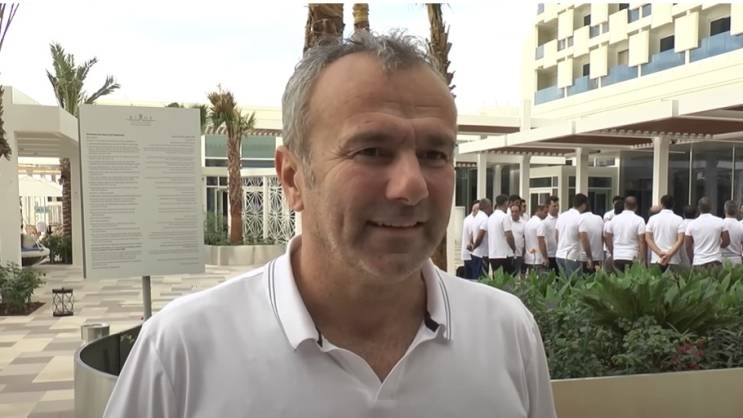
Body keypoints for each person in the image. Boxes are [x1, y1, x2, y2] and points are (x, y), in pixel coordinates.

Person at [103, 31, 556, 418]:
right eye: (371, 151)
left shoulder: (506, 333)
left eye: (434, 154)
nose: (412, 186)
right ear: (292, 178)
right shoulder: (181, 353)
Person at [685, 197, 730, 269]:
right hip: (715, 260)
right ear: (711, 207)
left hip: (698, 261)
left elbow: (688, 246)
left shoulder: (691, 224)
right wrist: (718, 247)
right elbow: (727, 241)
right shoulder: (720, 221)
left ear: (698, 208)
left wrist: (692, 259)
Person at [605, 196, 646, 271]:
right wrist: (642, 259)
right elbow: (642, 241)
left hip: (617, 256)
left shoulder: (614, 219)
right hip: (632, 256)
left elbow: (607, 236)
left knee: (618, 277)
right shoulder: (640, 220)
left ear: (624, 205)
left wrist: (612, 251)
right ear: (636, 207)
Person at [645, 195, 684, 272]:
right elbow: (680, 240)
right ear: (673, 205)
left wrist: (659, 253)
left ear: (661, 204)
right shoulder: (679, 219)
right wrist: (669, 254)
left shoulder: (652, 219)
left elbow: (648, 238)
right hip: (673, 259)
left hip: (656, 259)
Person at [555, 193, 588, 278]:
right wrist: (588, 256)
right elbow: (583, 238)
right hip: (573, 256)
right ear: (584, 205)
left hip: (559, 255)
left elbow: (556, 235)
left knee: (564, 282)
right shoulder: (580, 217)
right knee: (574, 283)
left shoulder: (561, 216)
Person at [488, 194, 515, 274]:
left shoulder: (490, 218)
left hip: (493, 254)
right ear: (506, 203)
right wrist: (513, 247)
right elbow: (509, 235)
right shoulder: (504, 217)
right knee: (507, 279)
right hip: (504, 255)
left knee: (497, 279)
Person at [468, 198, 492, 279]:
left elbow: (472, 234)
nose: (491, 209)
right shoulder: (485, 219)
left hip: (475, 254)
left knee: (475, 277)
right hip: (482, 255)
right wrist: (474, 246)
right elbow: (480, 236)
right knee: (482, 279)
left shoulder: (476, 217)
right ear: (487, 207)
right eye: (490, 206)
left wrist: (471, 244)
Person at [578, 204, 605, 273]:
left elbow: (583, 238)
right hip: (598, 257)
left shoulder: (580, 218)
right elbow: (602, 237)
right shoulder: (599, 218)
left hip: (583, 258)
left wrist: (589, 257)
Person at [537, 196, 559, 273]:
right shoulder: (544, 222)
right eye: (554, 206)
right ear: (548, 207)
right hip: (550, 255)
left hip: (561, 254)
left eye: (557, 205)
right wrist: (545, 257)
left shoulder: (562, 219)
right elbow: (541, 240)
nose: (557, 208)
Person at [525, 203, 548, 273]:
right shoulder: (540, 223)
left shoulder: (528, 223)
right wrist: (545, 257)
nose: (546, 215)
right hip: (539, 259)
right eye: (545, 212)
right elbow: (541, 241)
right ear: (539, 210)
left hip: (529, 257)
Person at [460, 201, 479, 279]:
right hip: (472, 254)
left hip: (466, 254)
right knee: (475, 278)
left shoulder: (467, 219)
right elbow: (473, 236)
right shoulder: (474, 221)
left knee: (468, 277)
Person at [721, 200, 743, 265]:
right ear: (737, 211)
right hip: (736, 259)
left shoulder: (719, 224)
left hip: (722, 258)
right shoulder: (741, 226)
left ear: (725, 210)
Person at [508, 202, 526, 275]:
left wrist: (524, 254)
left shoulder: (524, 223)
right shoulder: (507, 222)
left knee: (516, 275)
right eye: (512, 212)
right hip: (508, 254)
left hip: (519, 254)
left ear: (519, 212)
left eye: (516, 211)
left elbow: (525, 239)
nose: (514, 213)